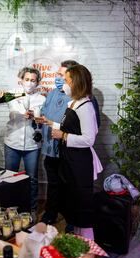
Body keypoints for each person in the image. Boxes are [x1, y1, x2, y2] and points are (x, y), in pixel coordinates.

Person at [50, 64, 103, 239]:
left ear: (76, 82)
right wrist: (52, 125)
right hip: (69, 160)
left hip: (79, 163)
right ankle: (78, 242)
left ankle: (88, 248)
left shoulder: (86, 106)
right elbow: (73, 127)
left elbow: (89, 139)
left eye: (66, 80)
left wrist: (63, 135)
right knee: (73, 203)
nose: (63, 84)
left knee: (82, 206)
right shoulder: (73, 102)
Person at [0, 67, 46, 217]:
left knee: (32, 179)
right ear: (21, 80)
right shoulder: (13, 94)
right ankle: (9, 209)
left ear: (37, 82)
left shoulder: (42, 99)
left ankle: (31, 209)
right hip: (12, 142)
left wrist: (35, 116)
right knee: (9, 177)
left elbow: (45, 120)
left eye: (33, 80)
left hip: (33, 145)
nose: (29, 83)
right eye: (27, 79)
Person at [38, 60, 76, 225]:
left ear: (71, 77)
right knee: (52, 183)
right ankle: (51, 213)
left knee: (68, 186)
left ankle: (70, 218)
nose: (57, 77)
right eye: (57, 74)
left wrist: (63, 133)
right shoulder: (52, 93)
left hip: (66, 149)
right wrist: (39, 118)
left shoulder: (77, 96)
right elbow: (45, 112)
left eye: (61, 75)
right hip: (49, 149)